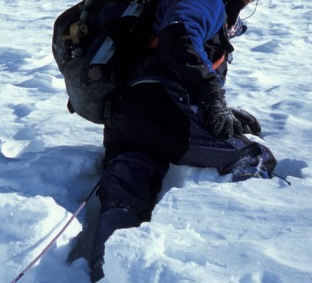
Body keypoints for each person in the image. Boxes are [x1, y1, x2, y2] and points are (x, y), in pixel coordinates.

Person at [69, 0, 277, 281]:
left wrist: (216, 106)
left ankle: (106, 271)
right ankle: (247, 256)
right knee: (252, 157)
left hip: (125, 115)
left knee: (126, 194)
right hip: (165, 109)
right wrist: (213, 98)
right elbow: (178, 37)